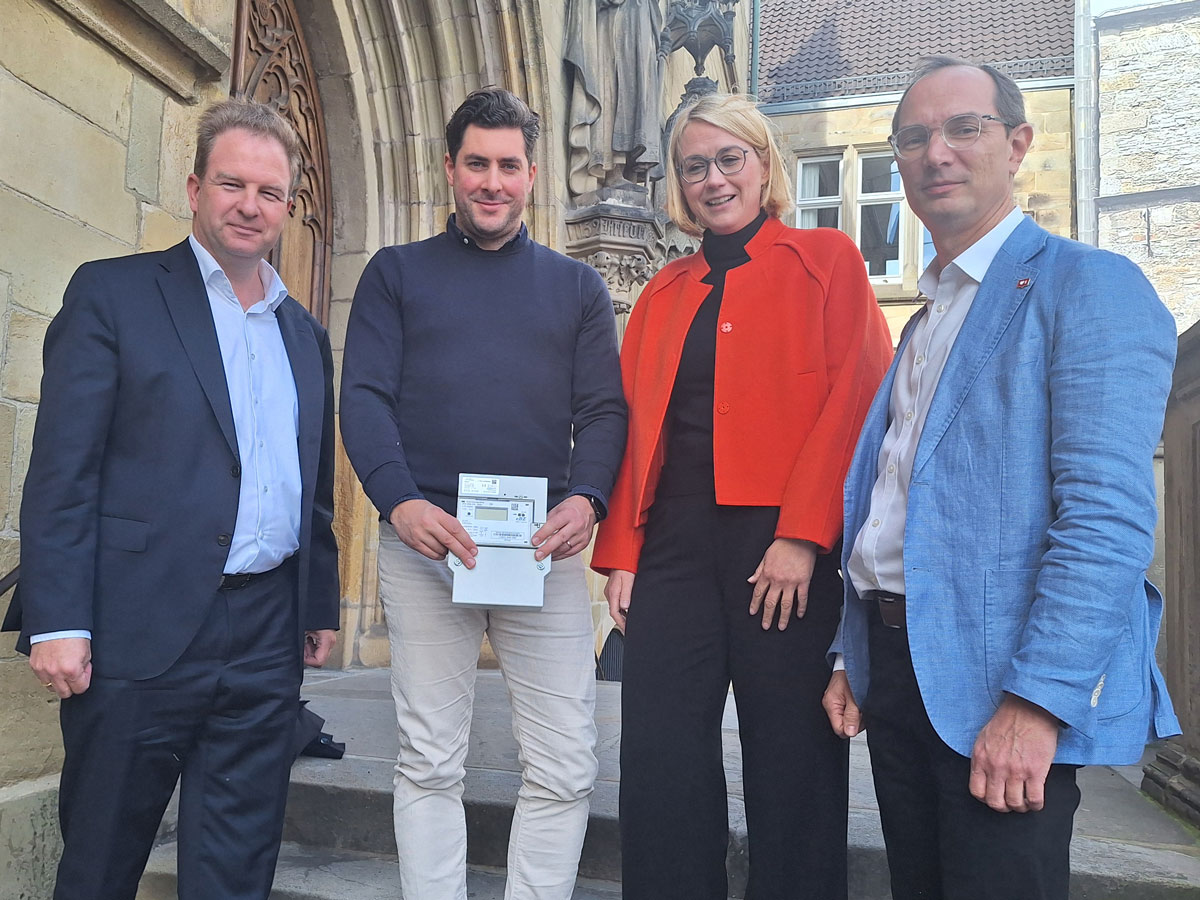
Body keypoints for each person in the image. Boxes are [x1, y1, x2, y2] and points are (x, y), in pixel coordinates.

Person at [822, 56, 1181, 900]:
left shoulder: (1087, 285)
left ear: (1017, 144)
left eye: (962, 129)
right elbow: (892, 504)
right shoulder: (925, 318)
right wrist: (851, 650)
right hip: (899, 668)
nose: (935, 152)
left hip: (1004, 688)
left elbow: (1105, 519)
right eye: (913, 138)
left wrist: (1039, 702)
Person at [1, 98, 340, 899]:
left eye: (269, 191)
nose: (250, 205)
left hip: (263, 636)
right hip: (135, 630)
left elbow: (311, 483)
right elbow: (62, 471)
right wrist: (57, 620)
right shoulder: (113, 295)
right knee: (101, 863)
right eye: (232, 184)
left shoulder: (303, 332)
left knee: (235, 869)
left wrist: (315, 601)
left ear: (288, 205)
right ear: (194, 187)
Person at [591, 93, 893, 900]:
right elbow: (634, 427)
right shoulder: (662, 291)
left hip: (782, 546)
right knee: (659, 755)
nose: (713, 179)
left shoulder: (827, 260)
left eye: (730, 159)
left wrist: (802, 537)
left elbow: (858, 404)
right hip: (674, 549)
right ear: (679, 184)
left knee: (792, 757)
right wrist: (623, 554)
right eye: (695, 166)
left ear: (764, 165)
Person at [338, 87, 627, 900]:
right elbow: (363, 397)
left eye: (508, 165)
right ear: (449, 169)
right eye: (476, 164)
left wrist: (590, 497)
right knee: (429, 758)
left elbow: (603, 408)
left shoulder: (575, 288)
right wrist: (399, 501)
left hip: (540, 551)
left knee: (565, 762)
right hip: (426, 545)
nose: (491, 182)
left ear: (531, 174)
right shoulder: (395, 275)